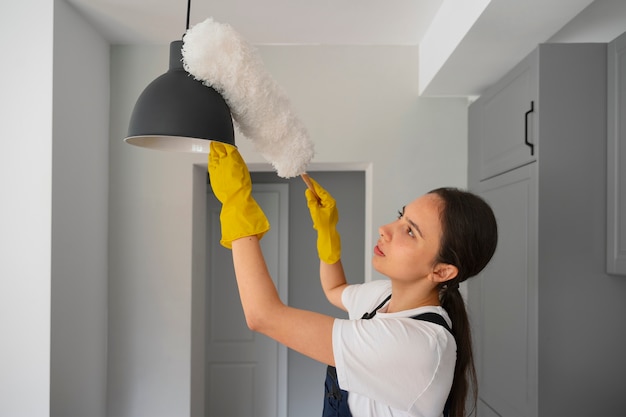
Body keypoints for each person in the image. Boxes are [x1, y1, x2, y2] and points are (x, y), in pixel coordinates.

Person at [208, 142, 498, 417]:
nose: (386, 229)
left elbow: (263, 315)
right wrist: (327, 233)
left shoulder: (419, 346)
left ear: (442, 271)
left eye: (410, 231)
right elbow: (336, 290)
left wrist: (236, 205)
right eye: (401, 216)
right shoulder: (385, 297)